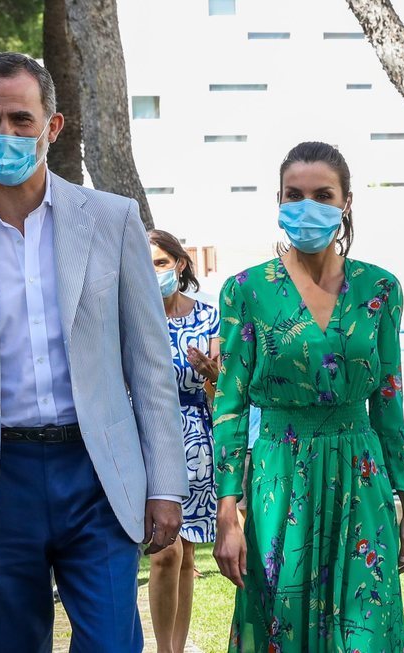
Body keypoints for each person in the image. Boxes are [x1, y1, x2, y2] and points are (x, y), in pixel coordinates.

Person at [0, 51, 188, 652]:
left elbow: (150, 364)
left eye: (21, 120)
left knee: (113, 644)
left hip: (97, 474)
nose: (6, 134)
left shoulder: (113, 219)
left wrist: (166, 485)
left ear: (51, 126)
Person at [212, 142, 404, 652]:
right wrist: (227, 513)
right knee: (281, 628)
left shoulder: (380, 289)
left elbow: (389, 401)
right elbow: (230, 407)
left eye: (322, 194)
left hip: (361, 472)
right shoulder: (246, 290)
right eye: (294, 195)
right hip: (279, 478)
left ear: (346, 202)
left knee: (366, 628)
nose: (307, 206)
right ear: (279, 201)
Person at [147, 229, 219, 653]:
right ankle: (162, 650)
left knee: (187, 556)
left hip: (195, 440)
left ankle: (176, 647)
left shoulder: (210, 317)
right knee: (164, 553)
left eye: (159, 262)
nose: (152, 271)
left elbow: (221, 395)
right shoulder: (134, 317)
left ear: (180, 264)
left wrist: (212, 375)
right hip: (151, 437)